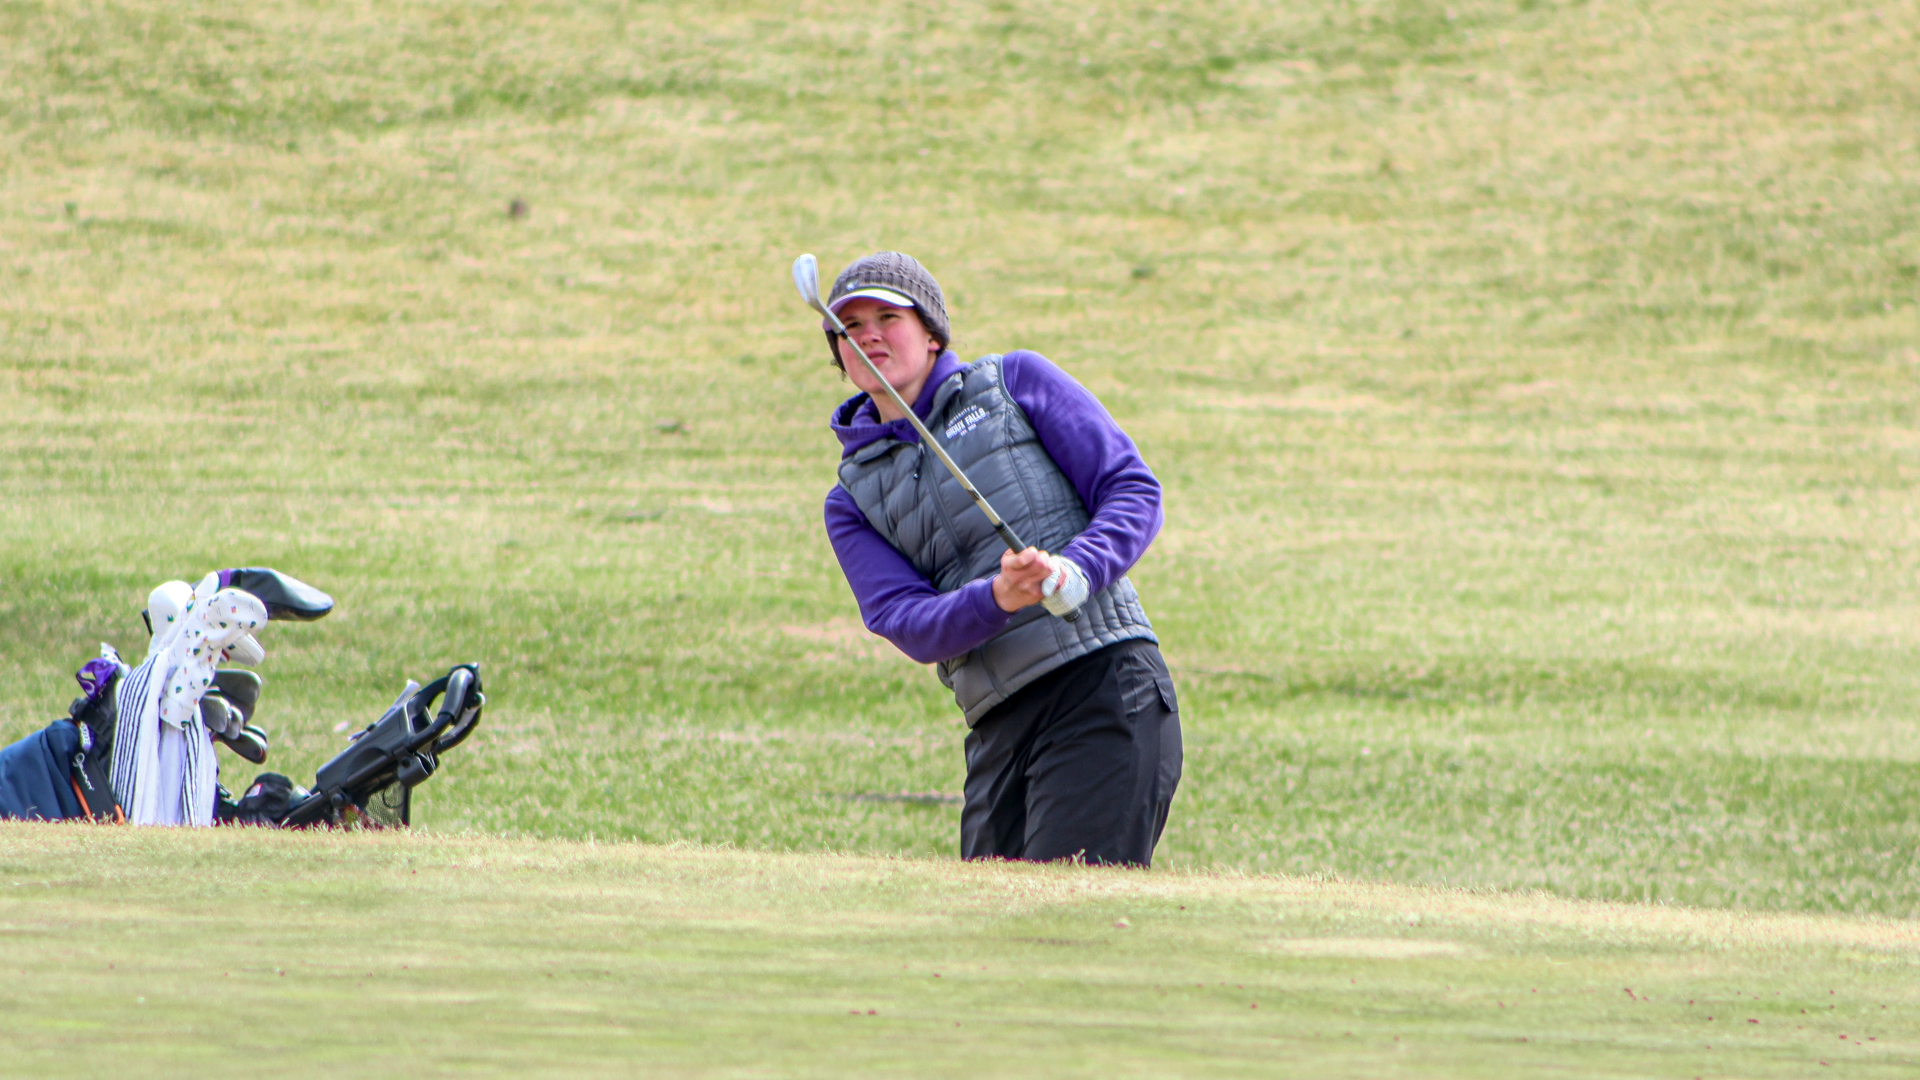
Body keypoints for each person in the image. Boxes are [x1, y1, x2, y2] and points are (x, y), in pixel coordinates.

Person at [819, 251, 1180, 867]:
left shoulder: (1015, 382)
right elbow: (902, 619)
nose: (869, 334)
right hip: (997, 727)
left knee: (1065, 922)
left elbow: (1131, 488)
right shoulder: (850, 498)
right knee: (991, 940)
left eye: (888, 315)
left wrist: (1078, 570)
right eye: (850, 326)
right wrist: (995, 599)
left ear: (931, 333)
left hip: (1104, 686)